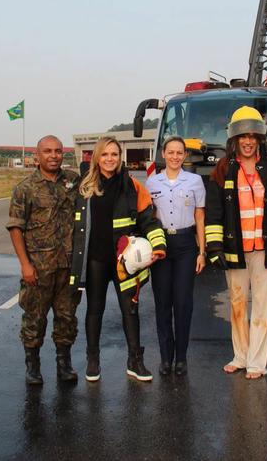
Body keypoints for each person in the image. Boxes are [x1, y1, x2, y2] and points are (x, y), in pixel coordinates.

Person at [69, 136, 167, 381]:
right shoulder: (83, 187)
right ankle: (93, 360)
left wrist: (159, 245)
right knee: (95, 310)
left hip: (125, 262)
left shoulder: (133, 186)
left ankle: (135, 361)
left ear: (119, 157)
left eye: (114, 154)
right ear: (97, 158)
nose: (110, 159)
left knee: (130, 310)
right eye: (105, 154)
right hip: (95, 261)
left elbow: (148, 219)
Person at [205, 106, 267, 379]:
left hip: (264, 251)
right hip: (235, 251)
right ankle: (240, 356)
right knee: (238, 305)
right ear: (234, 139)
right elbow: (214, 211)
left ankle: (256, 362)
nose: (248, 141)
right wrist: (215, 247)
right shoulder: (223, 169)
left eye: (253, 136)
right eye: (243, 136)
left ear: (260, 138)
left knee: (262, 305)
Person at [6, 135, 81, 385]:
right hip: (39, 268)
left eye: (58, 151)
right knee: (34, 319)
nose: (53, 156)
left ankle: (64, 363)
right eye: (47, 151)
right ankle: (33, 366)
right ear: (37, 156)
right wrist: (25, 265)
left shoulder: (73, 181)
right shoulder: (25, 188)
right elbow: (16, 227)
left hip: (68, 266)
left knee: (66, 318)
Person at [145, 136, 207, 376]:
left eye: (179, 153)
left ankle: (181, 358)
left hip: (185, 245)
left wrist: (201, 252)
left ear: (185, 155)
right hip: (160, 244)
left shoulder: (195, 181)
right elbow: (147, 217)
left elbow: (200, 217)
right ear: (163, 153)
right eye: (170, 152)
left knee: (183, 303)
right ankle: (165, 358)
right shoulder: (152, 182)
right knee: (162, 303)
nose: (174, 156)